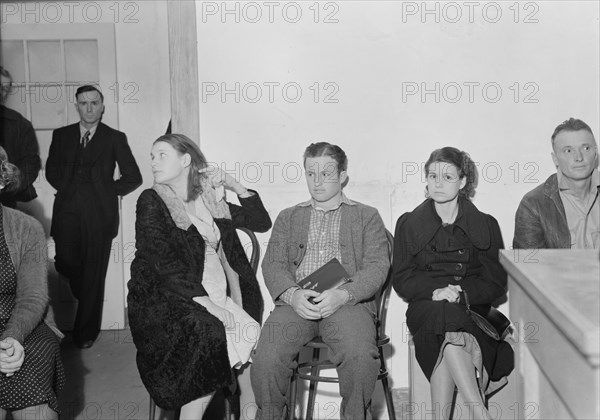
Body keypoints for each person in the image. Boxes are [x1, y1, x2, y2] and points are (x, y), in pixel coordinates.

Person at [127, 134, 271, 420]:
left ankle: (247, 414)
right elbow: (165, 264)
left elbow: (260, 222)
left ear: (185, 160)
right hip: (169, 300)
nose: (153, 161)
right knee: (210, 336)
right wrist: (208, 304)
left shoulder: (209, 199)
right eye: (152, 156)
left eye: (161, 155)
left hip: (217, 295)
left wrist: (234, 185)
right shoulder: (152, 201)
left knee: (248, 335)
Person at [252, 142, 390, 420]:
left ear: (342, 176)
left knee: (360, 357)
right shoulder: (288, 217)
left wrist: (344, 294)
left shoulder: (367, 216)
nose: (317, 181)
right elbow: (273, 264)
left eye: (326, 173)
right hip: (298, 303)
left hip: (347, 304)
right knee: (266, 359)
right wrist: (292, 294)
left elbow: (377, 266)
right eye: (311, 173)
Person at [393, 147, 514, 420]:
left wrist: (462, 294)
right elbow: (402, 279)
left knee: (449, 329)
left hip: (471, 309)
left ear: (462, 182)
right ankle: (479, 413)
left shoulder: (485, 224)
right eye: (432, 175)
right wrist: (434, 291)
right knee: (442, 318)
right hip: (426, 305)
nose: (437, 182)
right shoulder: (408, 224)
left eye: (447, 177)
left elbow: (496, 284)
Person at [46, 84, 142, 348]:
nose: (89, 108)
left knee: (93, 275)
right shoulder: (62, 135)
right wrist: (69, 189)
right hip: (66, 212)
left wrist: (106, 191)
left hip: (100, 216)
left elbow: (134, 177)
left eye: (94, 103)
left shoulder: (115, 137)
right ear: (77, 106)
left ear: (102, 107)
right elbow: (51, 171)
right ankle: (80, 294)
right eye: (83, 103)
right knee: (65, 263)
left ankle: (84, 334)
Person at [0, 146, 65, 420]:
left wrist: (11, 338)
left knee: (32, 364)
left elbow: (33, 296)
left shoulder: (27, 228)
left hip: (24, 322)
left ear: (2, 178)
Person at [514, 118, 599, 249]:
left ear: (595, 154)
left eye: (586, 148)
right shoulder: (533, 204)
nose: (579, 157)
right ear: (555, 159)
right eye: (568, 151)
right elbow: (529, 266)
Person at [0, 66, 41, 209]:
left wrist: (11, 186)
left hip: (5, 204)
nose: (1, 93)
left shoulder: (19, 124)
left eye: (5, 89)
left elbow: (31, 163)